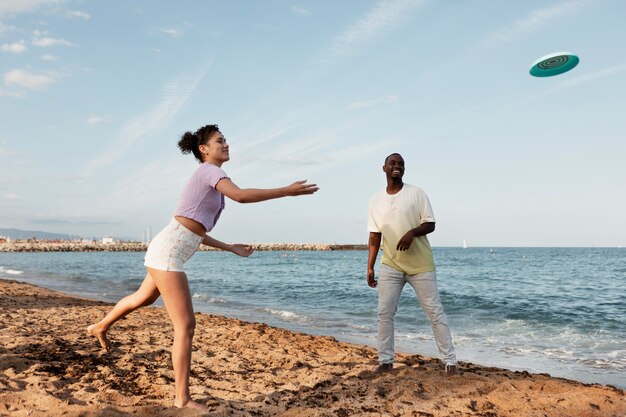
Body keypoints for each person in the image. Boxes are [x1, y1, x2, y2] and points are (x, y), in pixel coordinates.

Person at [88, 124, 318, 411]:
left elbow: (194, 230)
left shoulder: (210, 177)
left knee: (143, 298)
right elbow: (242, 196)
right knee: (185, 326)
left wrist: (229, 247)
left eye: (226, 140)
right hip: (169, 252)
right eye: (220, 141)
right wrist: (286, 191)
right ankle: (182, 398)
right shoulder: (210, 171)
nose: (226, 144)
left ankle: (100, 326)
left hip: (169, 247)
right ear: (204, 149)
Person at [366, 152, 457, 375]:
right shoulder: (375, 200)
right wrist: (370, 266)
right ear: (384, 168)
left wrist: (412, 232)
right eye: (393, 163)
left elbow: (430, 224)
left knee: (435, 313)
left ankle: (450, 362)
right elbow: (374, 236)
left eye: (401, 164)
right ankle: (386, 361)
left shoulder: (416, 194)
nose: (397, 166)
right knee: (384, 313)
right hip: (391, 265)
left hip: (421, 265)